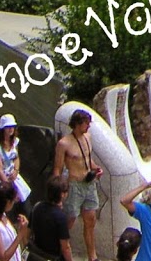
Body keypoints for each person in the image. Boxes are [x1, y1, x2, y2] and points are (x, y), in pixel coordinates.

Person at [53, 109, 103, 261]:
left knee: (90, 220)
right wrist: (57, 193)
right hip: (74, 185)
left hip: (89, 183)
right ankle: (58, 252)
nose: (88, 126)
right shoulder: (64, 143)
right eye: (86, 123)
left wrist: (96, 169)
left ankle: (92, 256)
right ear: (77, 124)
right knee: (69, 220)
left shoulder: (88, 137)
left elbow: (87, 159)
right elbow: (58, 168)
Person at [28, 176, 72, 261]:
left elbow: (27, 232)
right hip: (52, 257)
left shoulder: (37, 207)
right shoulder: (61, 217)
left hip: (35, 255)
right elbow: (65, 247)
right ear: (62, 195)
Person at [0, 184, 29, 261]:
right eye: (13, 200)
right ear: (8, 202)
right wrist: (20, 234)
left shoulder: (3, 216)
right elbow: (4, 257)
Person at [0, 114, 23, 216]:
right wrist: (7, 186)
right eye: (8, 127)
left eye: (12, 127)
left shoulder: (14, 142)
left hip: (13, 179)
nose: (10, 129)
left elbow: (16, 158)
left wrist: (16, 171)